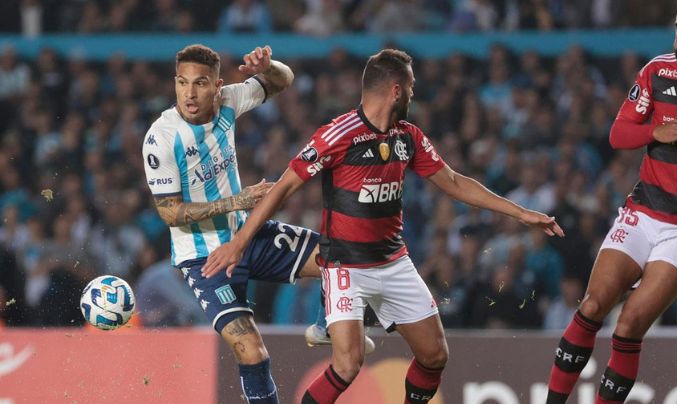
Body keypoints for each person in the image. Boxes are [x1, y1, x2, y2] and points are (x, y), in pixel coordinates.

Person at [201, 48, 564, 403]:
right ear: (396, 90)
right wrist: (240, 242)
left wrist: (520, 212)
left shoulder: (408, 136)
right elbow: (283, 188)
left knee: (435, 355)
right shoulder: (338, 134)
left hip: (393, 262)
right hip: (344, 265)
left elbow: (453, 182)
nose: (413, 93)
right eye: (411, 86)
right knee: (347, 364)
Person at [141, 44, 373, 404]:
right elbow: (169, 212)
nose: (190, 93)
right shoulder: (161, 138)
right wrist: (237, 201)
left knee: (339, 251)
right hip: (204, 258)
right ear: (174, 83)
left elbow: (283, 80)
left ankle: (327, 325)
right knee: (251, 350)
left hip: (248, 236)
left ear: (218, 85)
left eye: (200, 83)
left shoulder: (229, 101)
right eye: (183, 83)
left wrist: (269, 66)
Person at [545, 1, 677, 402]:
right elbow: (618, 134)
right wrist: (656, 132)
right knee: (593, 306)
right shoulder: (657, 71)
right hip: (643, 211)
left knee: (630, 323)